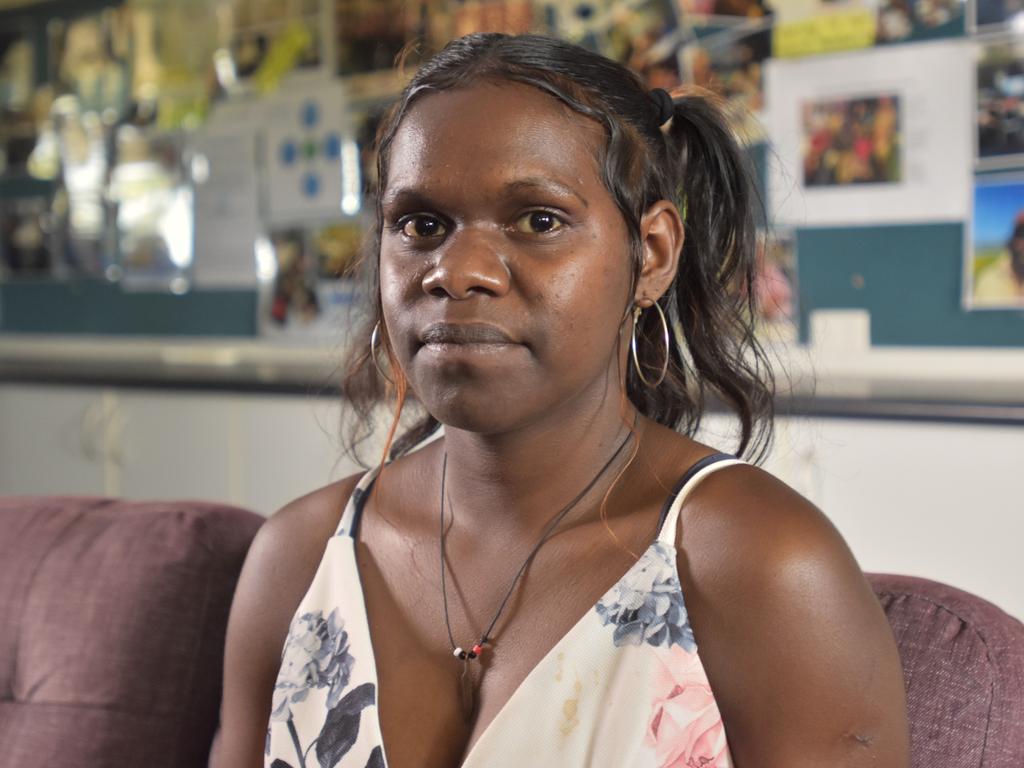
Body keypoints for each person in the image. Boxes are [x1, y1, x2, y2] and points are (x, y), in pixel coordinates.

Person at [211, 33, 909, 768]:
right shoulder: (296, 561)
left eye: (538, 221)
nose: (457, 272)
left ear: (653, 255)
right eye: (420, 225)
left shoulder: (762, 567)